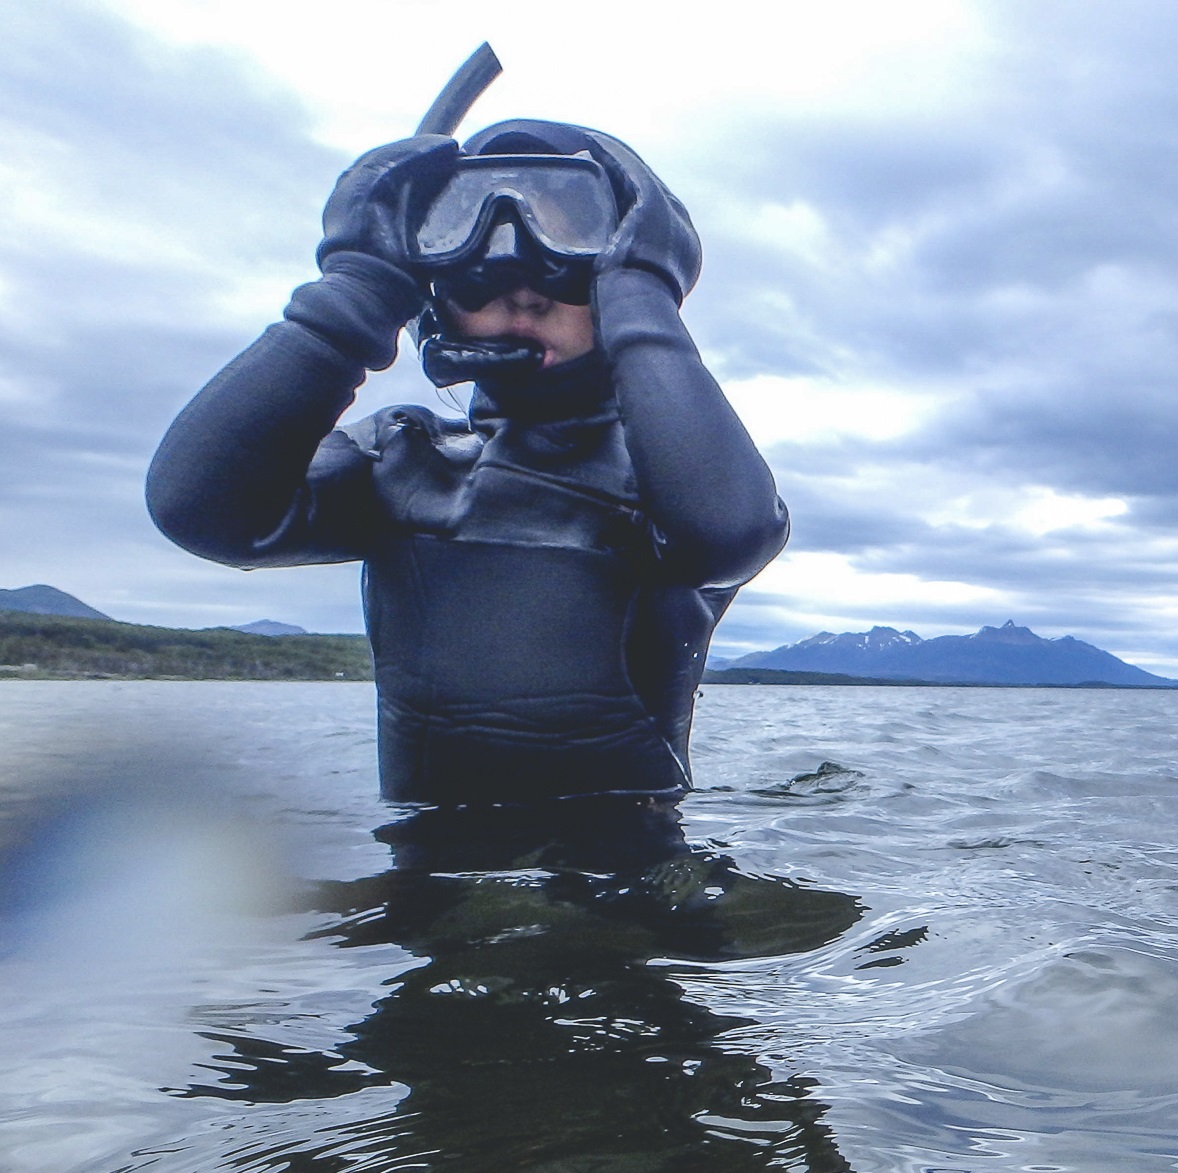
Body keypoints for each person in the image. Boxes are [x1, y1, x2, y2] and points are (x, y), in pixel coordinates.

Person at [148, 120, 788, 806]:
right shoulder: (401, 456)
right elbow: (204, 511)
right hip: (424, 858)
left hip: (633, 863)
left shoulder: (672, 480)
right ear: (431, 286)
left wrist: (641, 297)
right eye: (467, 243)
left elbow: (730, 534)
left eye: (571, 238)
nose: (522, 286)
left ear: (624, 265)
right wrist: (357, 292)